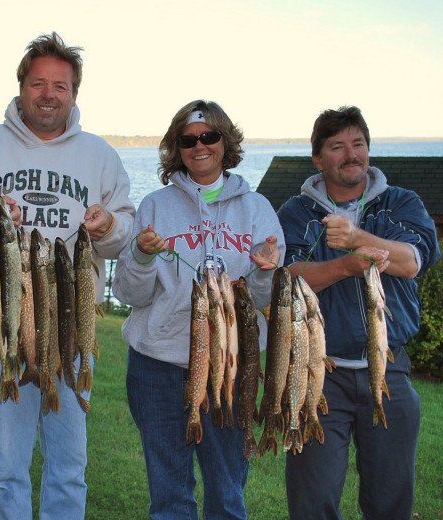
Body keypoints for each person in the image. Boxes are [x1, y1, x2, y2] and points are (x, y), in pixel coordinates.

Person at [0, 32, 135, 520]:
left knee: (69, 464)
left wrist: (109, 225)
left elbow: (124, 232)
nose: (48, 94)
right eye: (38, 83)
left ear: (74, 94)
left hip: (70, 324)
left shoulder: (100, 156)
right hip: (0, 324)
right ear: (21, 87)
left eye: (60, 86)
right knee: (8, 465)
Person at [112, 100, 284, 520]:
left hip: (230, 368)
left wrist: (264, 270)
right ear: (177, 146)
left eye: (209, 136)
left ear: (225, 141)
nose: (199, 146)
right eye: (188, 140)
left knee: (227, 495)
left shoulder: (257, 209)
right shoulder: (154, 206)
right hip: (158, 369)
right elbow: (130, 294)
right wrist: (139, 254)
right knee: (169, 497)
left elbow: (264, 298)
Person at [277, 105, 441, 520]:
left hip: (390, 372)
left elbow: (411, 261)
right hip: (317, 373)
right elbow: (286, 279)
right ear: (318, 159)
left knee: (391, 503)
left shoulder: (401, 203)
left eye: (358, 144)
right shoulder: (295, 214)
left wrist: (357, 238)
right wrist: (346, 265)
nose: (352, 154)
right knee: (312, 503)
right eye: (337, 146)